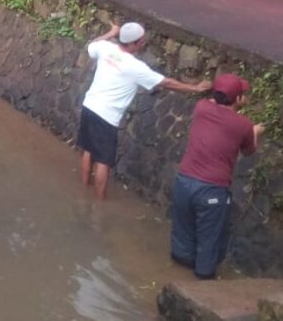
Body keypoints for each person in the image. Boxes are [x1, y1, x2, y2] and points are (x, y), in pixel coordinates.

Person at [77, 22, 211, 199]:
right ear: (131, 44)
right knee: (103, 161)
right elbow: (167, 83)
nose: (143, 44)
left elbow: (92, 45)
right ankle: (99, 203)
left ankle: (85, 191)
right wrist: (195, 89)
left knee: (89, 150)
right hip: (106, 117)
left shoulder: (105, 48)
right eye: (140, 41)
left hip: (89, 106)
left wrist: (110, 33)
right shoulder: (135, 67)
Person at [171, 74, 265, 279]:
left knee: (183, 240)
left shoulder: (201, 108)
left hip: (183, 182)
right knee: (209, 244)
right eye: (243, 94)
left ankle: (176, 277)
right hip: (211, 191)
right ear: (238, 99)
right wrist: (256, 131)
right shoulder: (243, 125)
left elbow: (216, 103)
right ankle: (203, 289)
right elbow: (249, 150)